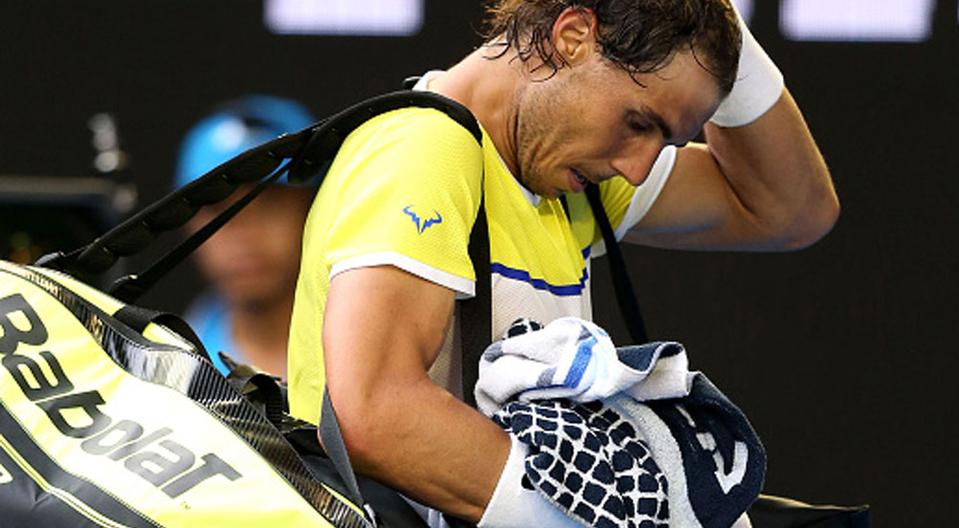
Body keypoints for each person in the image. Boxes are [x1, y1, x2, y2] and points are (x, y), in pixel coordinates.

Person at [287, 0, 839, 525]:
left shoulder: (571, 177)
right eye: (640, 123)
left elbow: (792, 210)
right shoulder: (426, 147)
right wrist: (599, 516)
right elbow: (376, 414)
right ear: (572, 37)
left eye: (665, 138)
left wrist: (715, 23)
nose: (639, 168)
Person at [176, 95, 315, 378]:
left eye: (269, 204)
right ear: (187, 225)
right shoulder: (165, 373)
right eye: (218, 209)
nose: (245, 233)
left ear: (315, 210)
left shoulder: (382, 349)